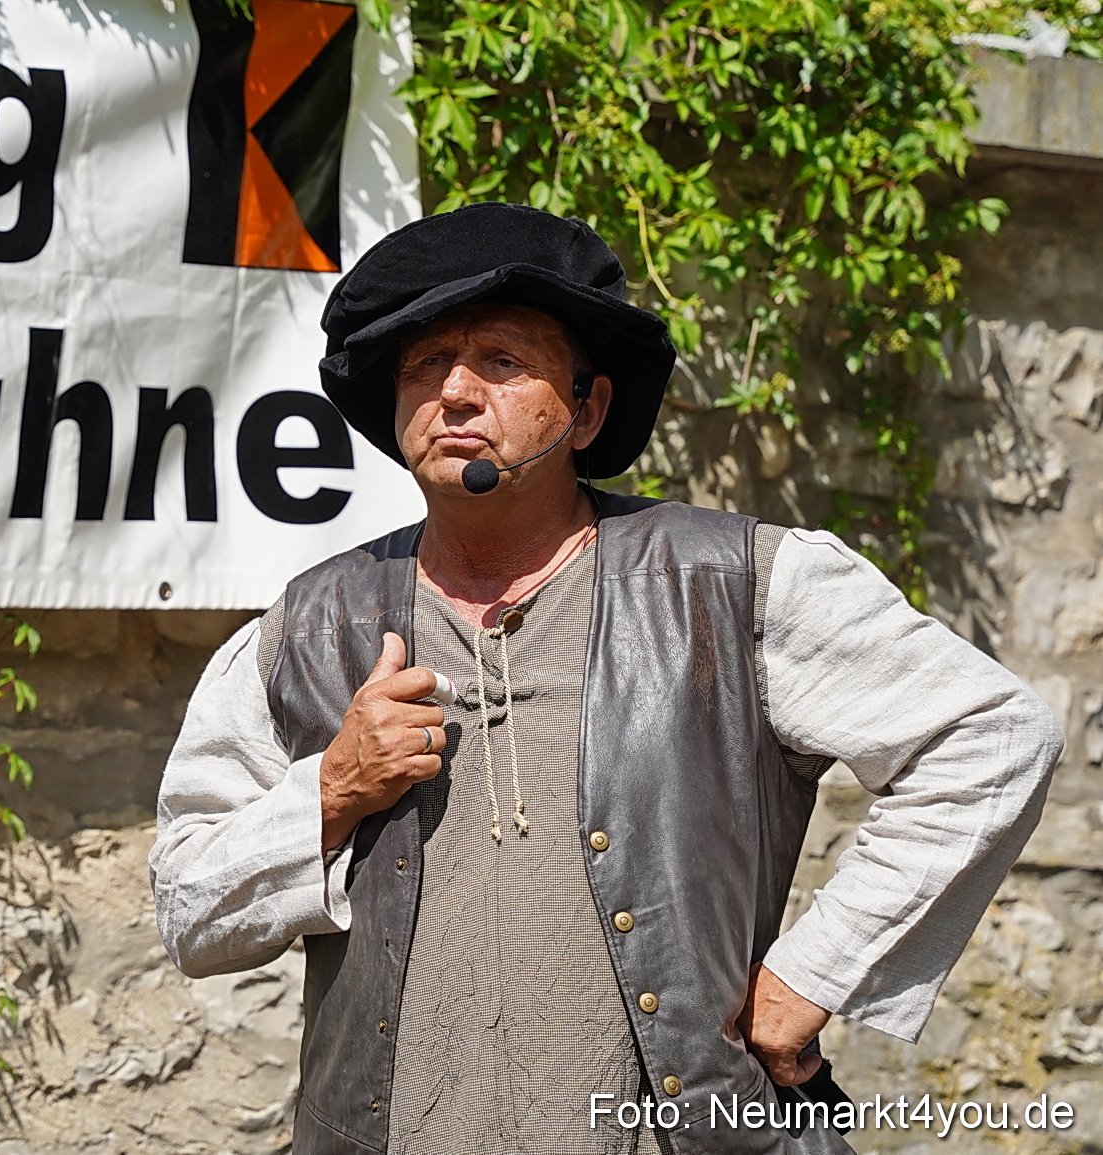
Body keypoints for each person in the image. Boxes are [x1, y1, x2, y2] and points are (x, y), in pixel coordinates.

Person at [147, 203, 1062, 1155]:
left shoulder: (736, 586)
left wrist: (810, 979)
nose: (456, 391)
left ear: (586, 409)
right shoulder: (309, 625)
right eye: (425, 366)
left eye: (501, 360)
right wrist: (330, 793)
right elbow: (188, 907)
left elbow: (992, 737)